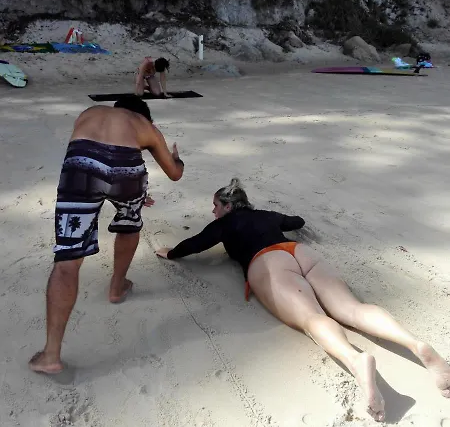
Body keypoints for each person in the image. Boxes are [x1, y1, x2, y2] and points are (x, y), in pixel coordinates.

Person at [156, 178, 450, 422]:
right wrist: (277, 223)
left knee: (313, 318)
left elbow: (196, 244)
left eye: (216, 206)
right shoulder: (266, 215)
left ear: (228, 206)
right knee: (352, 308)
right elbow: (297, 220)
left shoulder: (224, 224)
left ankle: (356, 360)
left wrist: (170, 252)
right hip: (298, 251)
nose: (213, 211)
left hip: (267, 262)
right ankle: (415, 344)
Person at [29, 95, 185, 375]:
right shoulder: (145, 125)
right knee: (130, 220)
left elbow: (89, 151)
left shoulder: (92, 111)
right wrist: (176, 159)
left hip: (82, 164)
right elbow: (174, 173)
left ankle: (50, 355)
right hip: (128, 169)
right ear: (144, 116)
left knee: (67, 261)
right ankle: (116, 287)